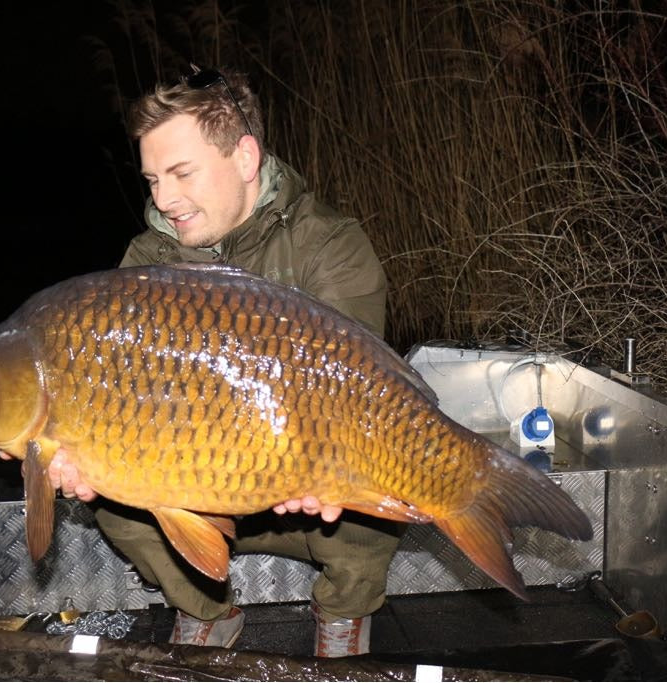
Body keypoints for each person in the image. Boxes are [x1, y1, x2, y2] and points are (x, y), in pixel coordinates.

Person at [49, 65, 402, 657]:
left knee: (372, 491)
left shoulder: (329, 244)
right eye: (153, 178)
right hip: (203, 474)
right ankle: (207, 612)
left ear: (244, 158)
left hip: (307, 494)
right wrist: (83, 448)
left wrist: (318, 462)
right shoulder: (145, 262)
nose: (164, 198)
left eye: (182, 173)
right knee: (116, 502)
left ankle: (342, 613)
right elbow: (131, 396)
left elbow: (361, 390)